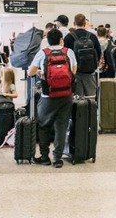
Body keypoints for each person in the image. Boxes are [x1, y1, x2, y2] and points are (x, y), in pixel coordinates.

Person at [28, 28, 77, 168]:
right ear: (61, 39)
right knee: (61, 126)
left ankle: (44, 156)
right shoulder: (69, 52)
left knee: (43, 125)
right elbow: (73, 72)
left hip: (48, 96)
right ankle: (57, 159)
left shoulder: (43, 53)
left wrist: (40, 72)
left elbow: (30, 72)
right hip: (66, 95)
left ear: (47, 41)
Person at [63, 13, 101, 98]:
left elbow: (65, 55)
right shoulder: (92, 36)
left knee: (77, 98)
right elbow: (98, 52)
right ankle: (92, 111)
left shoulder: (68, 37)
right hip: (90, 71)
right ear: (85, 23)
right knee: (91, 97)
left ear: (74, 23)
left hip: (75, 72)